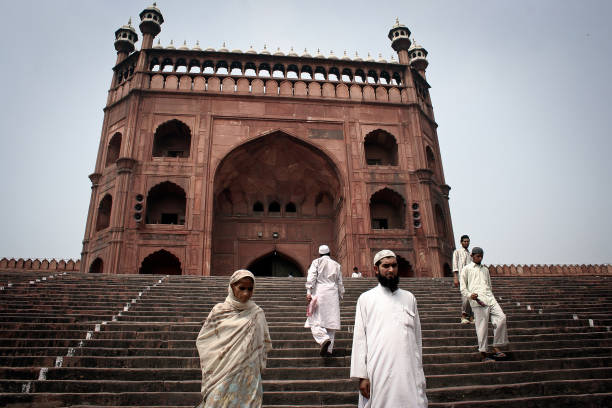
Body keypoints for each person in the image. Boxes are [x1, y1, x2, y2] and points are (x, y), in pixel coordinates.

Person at [350, 250, 428, 408]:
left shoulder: (409, 298)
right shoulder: (366, 299)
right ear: (376, 269)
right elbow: (359, 339)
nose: (391, 270)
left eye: (394, 265)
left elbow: (417, 338)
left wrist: (418, 369)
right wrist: (362, 375)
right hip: (379, 368)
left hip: (409, 368)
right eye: (386, 266)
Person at [195, 270, 272, 407]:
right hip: (222, 369)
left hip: (248, 371)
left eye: (250, 289)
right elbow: (204, 340)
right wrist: (221, 355)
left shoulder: (257, 313)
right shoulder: (219, 311)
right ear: (231, 287)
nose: (246, 293)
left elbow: (263, 344)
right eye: (241, 288)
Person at [460, 247, 509, 362]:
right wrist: (469, 295)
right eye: (478, 256)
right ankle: (483, 354)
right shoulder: (466, 269)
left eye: (481, 256)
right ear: (472, 256)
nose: (480, 258)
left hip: (489, 298)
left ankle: (496, 346)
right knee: (482, 327)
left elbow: (489, 285)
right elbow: (463, 288)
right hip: (478, 300)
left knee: (501, 317)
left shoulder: (485, 270)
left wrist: (491, 295)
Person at [305, 244, 345, 356]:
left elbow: (311, 277)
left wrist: (308, 292)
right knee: (331, 324)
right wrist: (340, 296)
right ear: (329, 253)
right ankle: (328, 350)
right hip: (332, 294)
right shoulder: (336, 265)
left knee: (314, 319)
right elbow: (340, 282)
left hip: (320, 292)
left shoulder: (316, 262)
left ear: (319, 254)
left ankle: (323, 339)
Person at [452, 234, 473, 324]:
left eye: (467, 241)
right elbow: (455, 265)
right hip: (462, 277)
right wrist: (456, 277)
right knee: (465, 297)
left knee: (471, 297)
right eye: (464, 241)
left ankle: (471, 317)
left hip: (471, 278)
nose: (466, 243)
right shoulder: (457, 252)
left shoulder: (470, 254)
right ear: (461, 242)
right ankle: (463, 316)